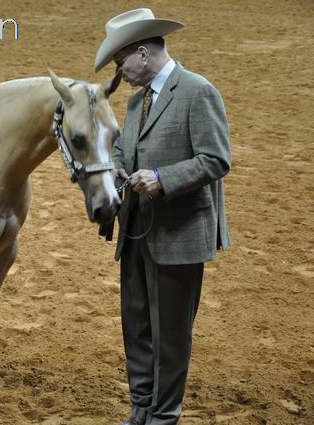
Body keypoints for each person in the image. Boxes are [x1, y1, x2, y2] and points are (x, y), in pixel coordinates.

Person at [93, 8, 232, 425]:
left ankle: (164, 416)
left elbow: (216, 159)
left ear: (141, 53)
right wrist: (118, 169)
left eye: (121, 63)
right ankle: (140, 409)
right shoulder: (137, 100)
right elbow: (124, 150)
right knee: (136, 327)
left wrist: (160, 177)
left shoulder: (196, 90)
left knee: (170, 334)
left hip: (180, 232)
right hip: (136, 229)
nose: (122, 74)